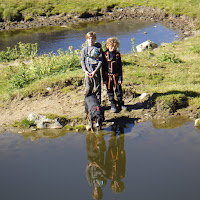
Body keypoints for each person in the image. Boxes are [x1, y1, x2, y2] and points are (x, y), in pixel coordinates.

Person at [102, 37, 126, 113]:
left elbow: (120, 67)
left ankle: (120, 103)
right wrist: (104, 79)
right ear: (107, 46)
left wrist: (120, 78)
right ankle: (112, 104)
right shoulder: (105, 55)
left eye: (114, 46)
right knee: (110, 91)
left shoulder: (117, 55)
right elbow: (103, 68)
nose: (112, 48)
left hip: (116, 76)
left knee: (119, 90)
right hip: (108, 76)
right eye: (111, 46)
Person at [81, 31, 103, 104]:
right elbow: (82, 61)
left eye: (92, 38)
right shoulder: (84, 49)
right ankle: (88, 103)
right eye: (89, 38)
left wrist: (95, 71)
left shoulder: (98, 48)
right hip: (88, 71)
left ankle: (98, 104)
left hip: (96, 71)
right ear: (87, 39)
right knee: (88, 88)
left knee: (97, 88)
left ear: (95, 39)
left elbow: (100, 61)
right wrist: (85, 71)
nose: (91, 40)